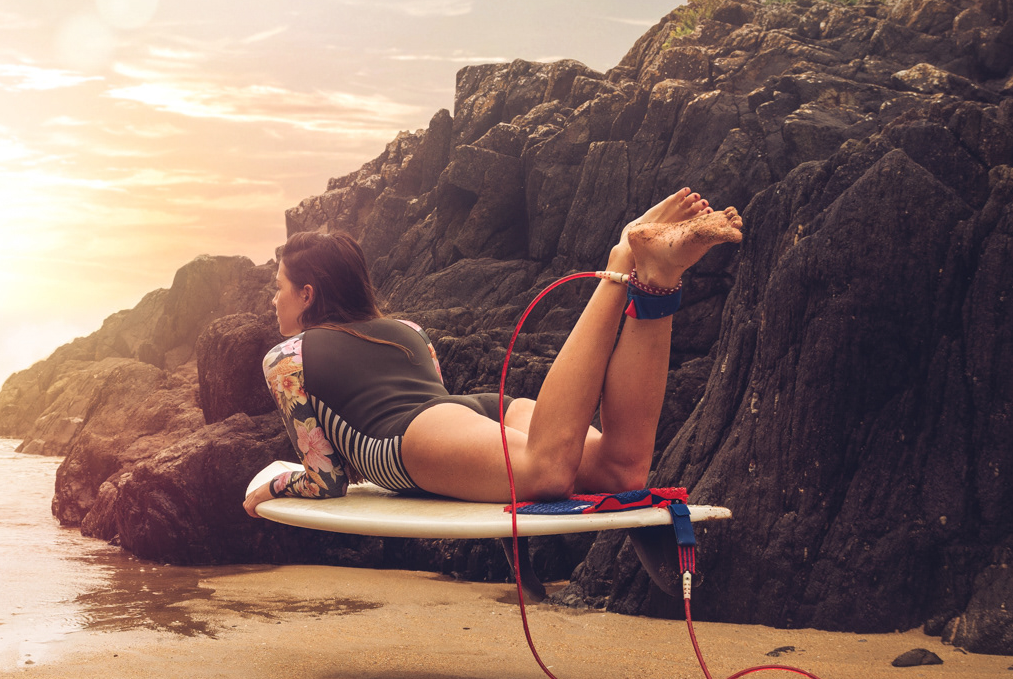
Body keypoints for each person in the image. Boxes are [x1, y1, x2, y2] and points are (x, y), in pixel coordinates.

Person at [242, 189, 743, 516]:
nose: (273, 298)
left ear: (308, 294)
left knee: (545, 471)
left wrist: (276, 487)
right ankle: (658, 279)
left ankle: (620, 263)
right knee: (622, 470)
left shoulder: (287, 359)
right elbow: (425, 400)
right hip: (476, 412)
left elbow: (326, 479)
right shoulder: (408, 330)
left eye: (280, 287)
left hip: (413, 439)